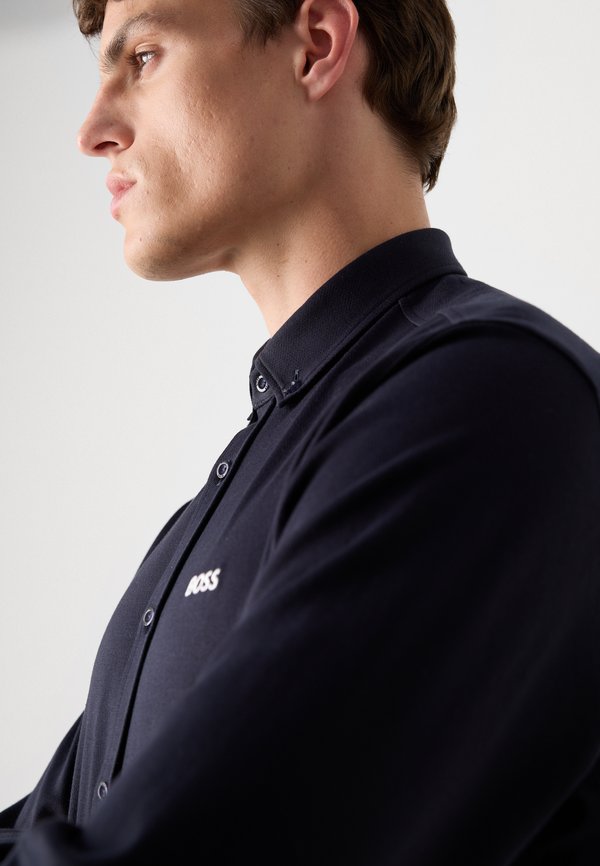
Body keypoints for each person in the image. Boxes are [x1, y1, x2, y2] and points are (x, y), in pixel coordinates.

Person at [1, 0, 599, 862]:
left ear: (316, 45)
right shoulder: (230, 500)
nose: (93, 131)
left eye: (144, 57)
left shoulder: (490, 400)